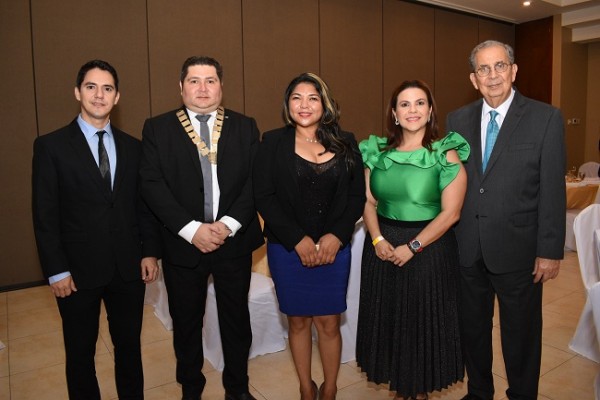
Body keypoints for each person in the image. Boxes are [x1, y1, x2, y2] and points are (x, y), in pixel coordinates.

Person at [32, 59, 161, 400]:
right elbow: (44, 215)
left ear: (117, 97)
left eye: (107, 89)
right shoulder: (51, 146)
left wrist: (149, 250)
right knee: (80, 354)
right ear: (78, 92)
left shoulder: (134, 147)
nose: (99, 95)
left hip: (127, 268)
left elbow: (142, 206)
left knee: (129, 350)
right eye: (91, 87)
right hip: (76, 272)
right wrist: (56, 270)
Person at [446, 40, 566, 400]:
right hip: (468, 248)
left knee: (521, 335)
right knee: (473, 330)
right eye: (484, 69)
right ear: (473, 78)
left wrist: (549, 249)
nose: (492, 75)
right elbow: (451, 182)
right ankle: (479, 392)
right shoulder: (457, 120)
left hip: (520, 251)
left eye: (500, 66)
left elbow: (552, 189)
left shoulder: (545, 118)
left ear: (514, 71)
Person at [139, 56, 263, 400]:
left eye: (210, 80)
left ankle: (237, 389)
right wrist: (192, 229)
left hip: (232, 243)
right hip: (182, 245)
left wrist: (228, 224)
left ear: (221, 86)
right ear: (181, 87)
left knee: (236, 322)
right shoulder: (157, 128)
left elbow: (256, 182)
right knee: (187, 323)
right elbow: (151, 184)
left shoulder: (245, 126)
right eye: (194, 80)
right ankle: (191, 389)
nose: (203, 88)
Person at [253, 72, 365, 400]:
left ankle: (329, 387)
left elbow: (357, 197)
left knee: (329, 323)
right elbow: (264, 196)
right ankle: (305, 386)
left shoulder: (347, 141)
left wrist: (336, 236)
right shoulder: (272, 142)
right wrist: (297, 239)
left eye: (313, 98)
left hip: (335, 249)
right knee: (298, 322)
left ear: (324, 104)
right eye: (297, 98)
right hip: (287, 250)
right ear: (287, 105)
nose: (305, 105)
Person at [356, 80, 469, 400]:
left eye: (420, 103)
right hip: (383, 246)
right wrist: (377, 239)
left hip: (429, 249)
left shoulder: (445, 153)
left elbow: (451, 213)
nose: (412, 110)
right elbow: (367, 201)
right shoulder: (377, 151)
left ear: (431, 110)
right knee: (389, 318)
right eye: (404, 104)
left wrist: (414, 246)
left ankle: (418, 390)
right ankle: (399, 386)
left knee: (421, 324)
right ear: (394, 113)